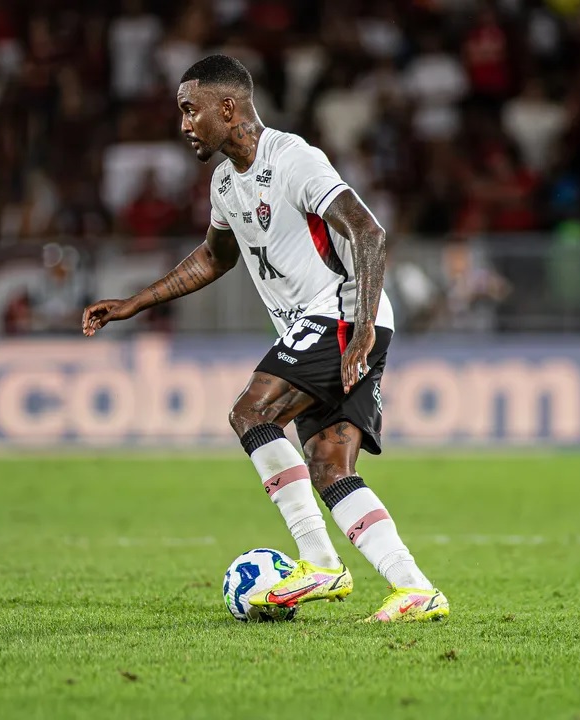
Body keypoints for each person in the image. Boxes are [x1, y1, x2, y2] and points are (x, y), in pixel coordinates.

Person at [82, 55, 448, 623]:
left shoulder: (294, 158)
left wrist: (363, 327)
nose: (183, 124)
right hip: (332, 324)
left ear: (227, 108)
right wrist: (136, 302)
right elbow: (212, 258)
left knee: (252, 411)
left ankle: (320, 562)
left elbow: (369, 233)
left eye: (190, 110)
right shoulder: (226, 182)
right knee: (330, 464)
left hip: (342, 315)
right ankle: (415, 588)